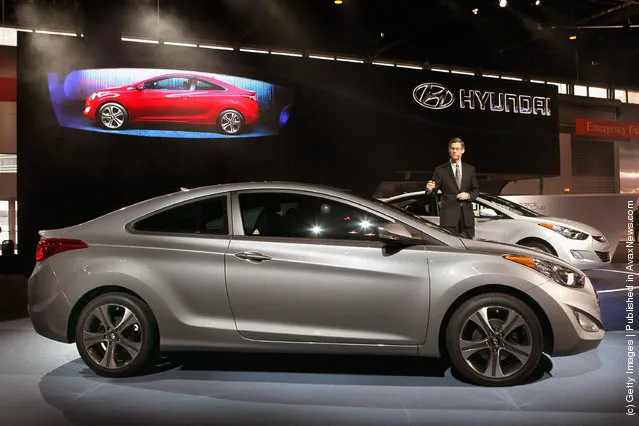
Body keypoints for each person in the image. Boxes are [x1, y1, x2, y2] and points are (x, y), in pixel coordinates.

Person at [425, 137, 480, 238]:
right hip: (449, 219)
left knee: (470, 248)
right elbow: (433, 193)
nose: (454, 151)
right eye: (452, 148)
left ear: (463, 150)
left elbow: (476, 190)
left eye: (457, 149)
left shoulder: (470, 169)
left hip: (466, 219)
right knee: (451, 250)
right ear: (449, 150)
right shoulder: (441, 170)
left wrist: (468, 195)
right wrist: (429, 189)